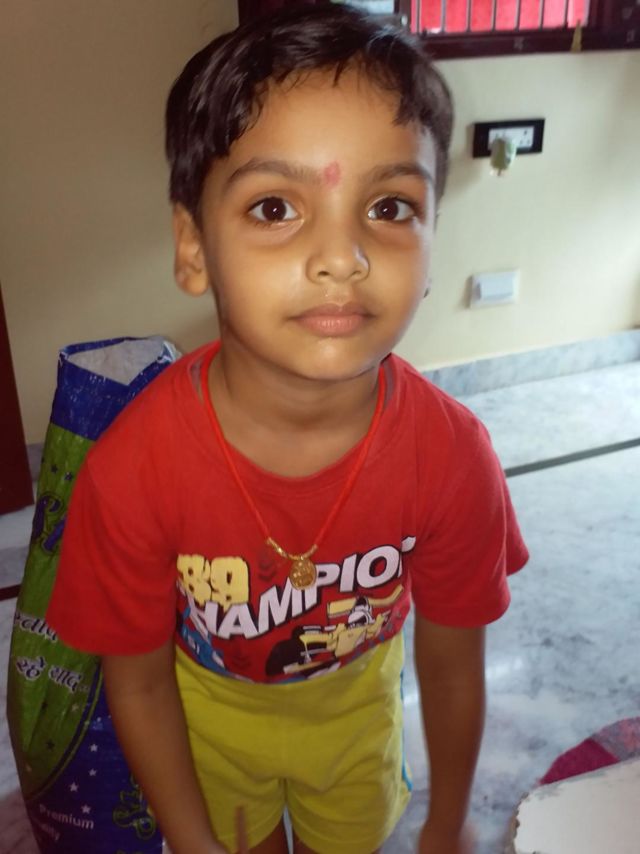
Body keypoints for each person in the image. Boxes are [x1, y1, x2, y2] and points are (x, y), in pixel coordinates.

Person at [47, 4, 528, 854]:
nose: (342, 257)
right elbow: (140, 685)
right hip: (210, 725)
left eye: (389, 206)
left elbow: (453, 661)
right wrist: (192, 840)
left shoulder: (453, 459)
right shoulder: (132, 472)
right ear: (193, 248)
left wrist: (448, 818)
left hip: (355, 718)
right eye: (275, 208)